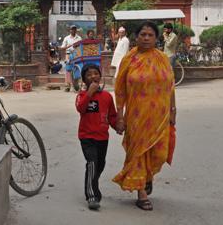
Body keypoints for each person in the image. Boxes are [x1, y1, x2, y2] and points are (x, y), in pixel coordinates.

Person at [112, 21, 176, 211]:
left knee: (158, 153)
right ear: (136, 37)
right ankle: (141, 192)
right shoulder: (129, 60)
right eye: (143, 35)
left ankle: (147, 177)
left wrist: (173, 110)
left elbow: (170, 87)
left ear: (156, 38)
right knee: (139, 153)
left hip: (160, 115)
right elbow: (120, 90)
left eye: (150, 35)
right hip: (137, 116)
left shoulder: (163, 59)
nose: (146, 38)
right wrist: (120, 116)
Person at [75, 64, 118, 211]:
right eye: (89, 75)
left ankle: (93, 183)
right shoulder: (81, 96)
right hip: (87, 136)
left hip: (103, 137)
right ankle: (91, 195)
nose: (93, 76)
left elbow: (112, 116)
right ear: (84, 80)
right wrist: (89, 94)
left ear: (100, 76)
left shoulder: (107, 96)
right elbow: (80, 108)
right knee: (92, 163)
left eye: (96, 73)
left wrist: (118, 126)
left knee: (100, 165)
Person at [61, 25, 82, 92]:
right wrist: (69, 46)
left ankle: (76, 85)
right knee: (68, 70)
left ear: (76, 30)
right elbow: (62, 47)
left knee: (77, 69)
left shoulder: (79, 38)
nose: (73, 30)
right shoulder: (66, 38)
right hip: (68, 54)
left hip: (77, 55)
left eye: (74, 29)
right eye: (72, 29)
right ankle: (67, 86)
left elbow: (81, 47)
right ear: (70, 30)